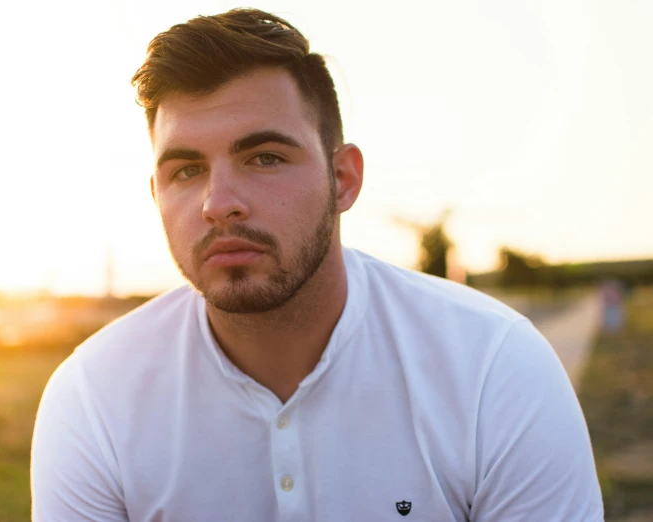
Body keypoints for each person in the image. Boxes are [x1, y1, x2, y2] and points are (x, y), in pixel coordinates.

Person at [31, 8, 604, 521]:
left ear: (343, 179)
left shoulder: (492, 368)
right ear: (156, 195)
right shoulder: (94, 399)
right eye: (185, 170)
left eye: (265, 157)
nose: (218, 202)